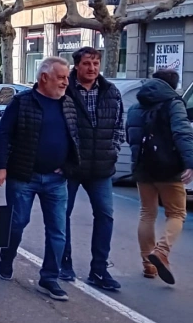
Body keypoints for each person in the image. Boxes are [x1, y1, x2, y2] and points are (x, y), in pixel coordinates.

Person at [0, 57, 79, 302]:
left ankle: (49, 277)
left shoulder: (69, 105)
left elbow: (76, 138)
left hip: (57, 179)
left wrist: (70, 166)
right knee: (17, 224)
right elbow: (3, 135)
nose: (66, 82)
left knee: (58, 231)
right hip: (23, 176)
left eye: (66, 77)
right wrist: (0, 167)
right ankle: (6, 258)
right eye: (61, 77)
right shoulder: (22, 102)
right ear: (44, 78)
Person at [60, 47, 123, 290]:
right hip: (71, 166)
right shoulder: (65, 90)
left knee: (105, 216)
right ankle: (64, 262)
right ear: (77, 65)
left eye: (96, 63)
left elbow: (119, 124)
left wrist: (113, 149)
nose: (92, 68)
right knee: (62, 216)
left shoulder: (110, 91)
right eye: (87, 63)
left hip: (101, 167)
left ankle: (99, 269)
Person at [125, 69, 193, 285]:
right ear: (173, 85)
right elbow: (182, 133)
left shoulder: (136, 105)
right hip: (168, 168)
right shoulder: (174, 103)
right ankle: (161, 251)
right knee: (176, 213)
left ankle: (148, 264)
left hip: (143, 167)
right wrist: (190, 163)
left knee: (147, 213)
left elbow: (130, 135)